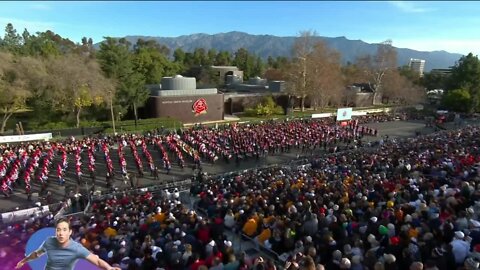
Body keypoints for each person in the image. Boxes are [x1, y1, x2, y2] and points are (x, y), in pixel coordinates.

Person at [16, 217, 120, 270]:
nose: (61, 233)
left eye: (64, 230)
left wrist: (109, 268)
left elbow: (96, 261)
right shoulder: (49, 241)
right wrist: (24, 260)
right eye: (58, 230)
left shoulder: (77, 248)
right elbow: (37, 253)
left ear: (70, 232)